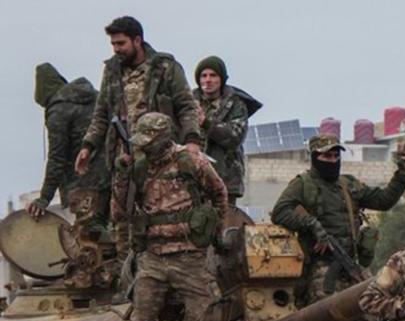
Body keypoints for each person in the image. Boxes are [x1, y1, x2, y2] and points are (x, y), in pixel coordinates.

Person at [271, 134, 405, 321]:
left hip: (352, 266)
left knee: (374, 319)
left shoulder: (348, 185)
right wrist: (312, 225)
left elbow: (384, 200)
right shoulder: (303, 185)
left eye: (336, 155)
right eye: (327, 155)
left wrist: (403, 171)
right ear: (315, 157)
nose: (333, 160)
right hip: (323, 267)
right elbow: (280, 212)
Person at [110, 112, 228, 321]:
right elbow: (119, 212)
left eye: (148, 141)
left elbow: (219, 194)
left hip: (189, 257)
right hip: (153, 258)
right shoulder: (138, 168)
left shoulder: (191, 162)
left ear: (163, 139)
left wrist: (209, 231)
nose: (143, 147)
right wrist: (122, 175)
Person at [75, 16, 201, 181]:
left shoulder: (165, 68)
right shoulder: (112, 71)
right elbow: (101, 114)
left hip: (161, 157)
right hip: (124, 159)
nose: (116, 49)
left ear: (137, 40)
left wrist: (192, 140)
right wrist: (88, 146)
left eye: (121, 43)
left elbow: (186, 107)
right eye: (113, 44)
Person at [29, 63, 109, 235]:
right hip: (114, 178)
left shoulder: (58, 111)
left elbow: (57, 158)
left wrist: (44, 198)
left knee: (91, 240)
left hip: (83, 184)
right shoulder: (96, 97)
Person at [193, 55, 261, 205]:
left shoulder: (236, 104)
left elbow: (235, 137)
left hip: (225, 179)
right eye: (204, 76)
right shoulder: (188, 102)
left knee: (224, 218)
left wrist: (206, 123)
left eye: (213, 75)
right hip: (193, 179)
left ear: (221, 79)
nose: (208, 80)